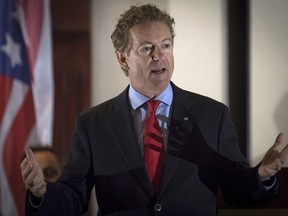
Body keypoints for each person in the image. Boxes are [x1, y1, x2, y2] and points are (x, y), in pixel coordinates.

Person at [20, 4, 288, 216]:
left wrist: (261, 176)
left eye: (166, 45)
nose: (158, 56)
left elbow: (236, 190)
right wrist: (42, 193)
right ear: (123, 58)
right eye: (147, 48)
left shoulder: (212, 115)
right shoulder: (94, 124)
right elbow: (73, 198)